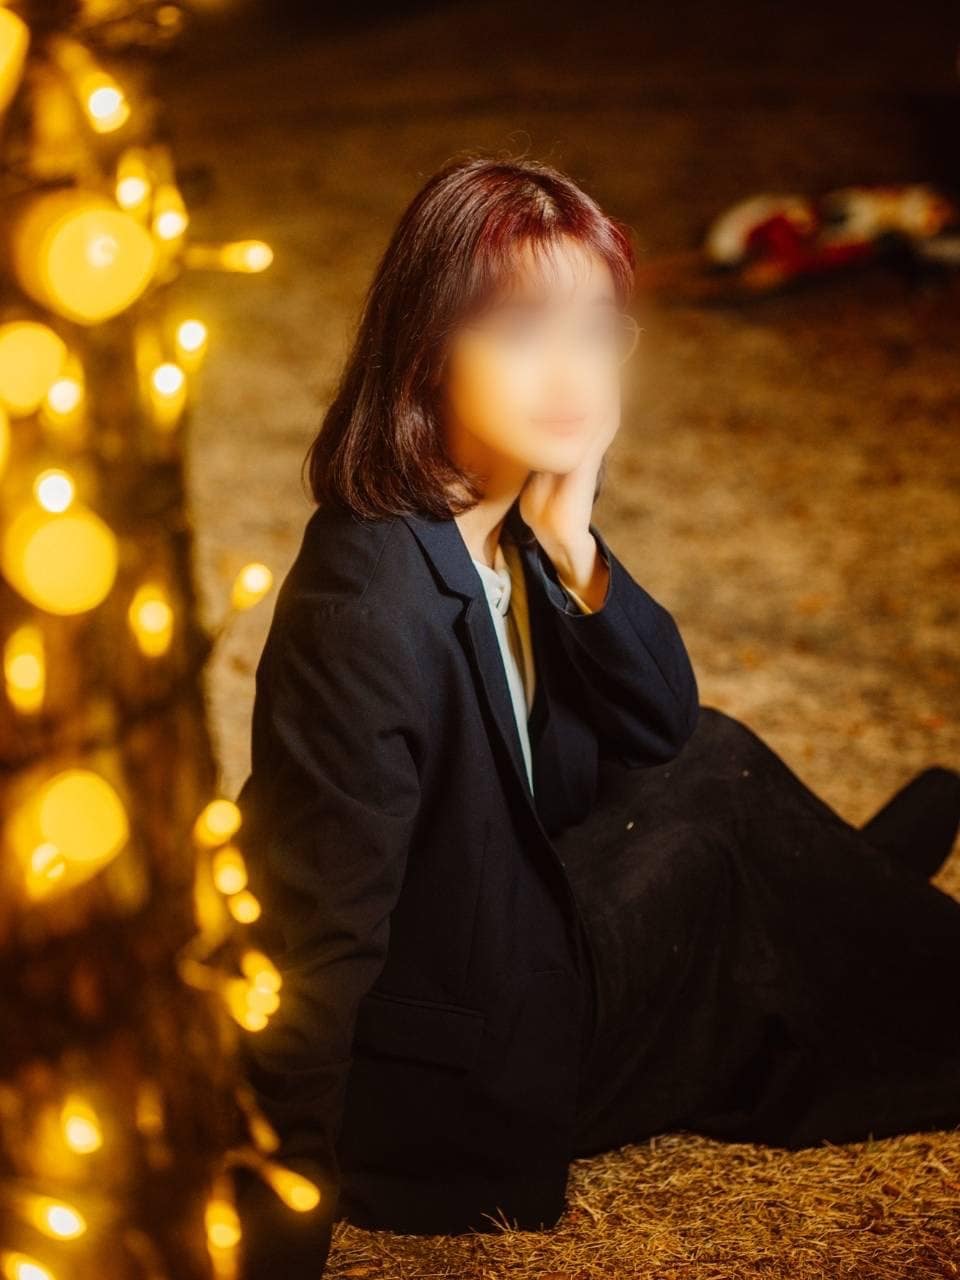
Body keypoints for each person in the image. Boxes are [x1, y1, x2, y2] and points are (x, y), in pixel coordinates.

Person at [231, 154, 960, 1279]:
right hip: (452, 1075)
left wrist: (574, 544)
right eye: (524, 329)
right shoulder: (364, 611)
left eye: (594, 329)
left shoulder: (508, 508)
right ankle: (839, 899)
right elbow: (320, 935)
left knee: (709, 760)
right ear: (426, 345)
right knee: (716, 822)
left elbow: (658, 721)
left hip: (505, 919)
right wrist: (273, 1209)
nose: (571, 371)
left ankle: (833, 886)